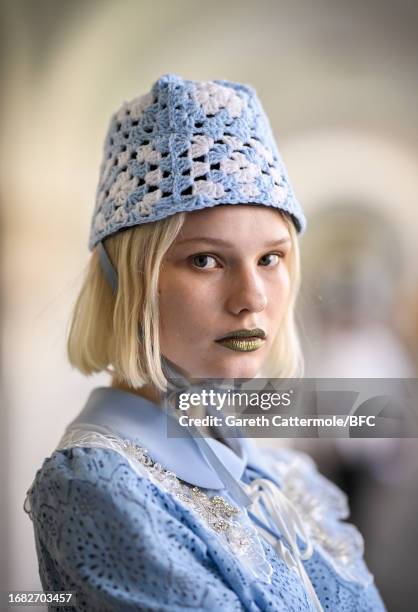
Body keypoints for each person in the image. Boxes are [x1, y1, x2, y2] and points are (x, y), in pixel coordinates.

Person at [24, 74, 386, 611]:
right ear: (124, 279)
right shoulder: (99, 486)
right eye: (205, 260)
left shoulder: (279, 471)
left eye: (271, 258)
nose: (252, 298)